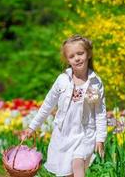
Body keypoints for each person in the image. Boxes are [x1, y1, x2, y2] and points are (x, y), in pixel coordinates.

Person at [22, 35, 107, 177]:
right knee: (66, 173)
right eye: (72, 56)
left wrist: (100, 138)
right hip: (63, 134)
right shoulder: (62, 81)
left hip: (85, 133)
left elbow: (100, 112)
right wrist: (32, 127)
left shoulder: (94, 83)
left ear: (89, 54)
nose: (77, 58)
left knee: (77, 163)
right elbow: (47, 105)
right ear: (67, 59)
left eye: (80, 53)